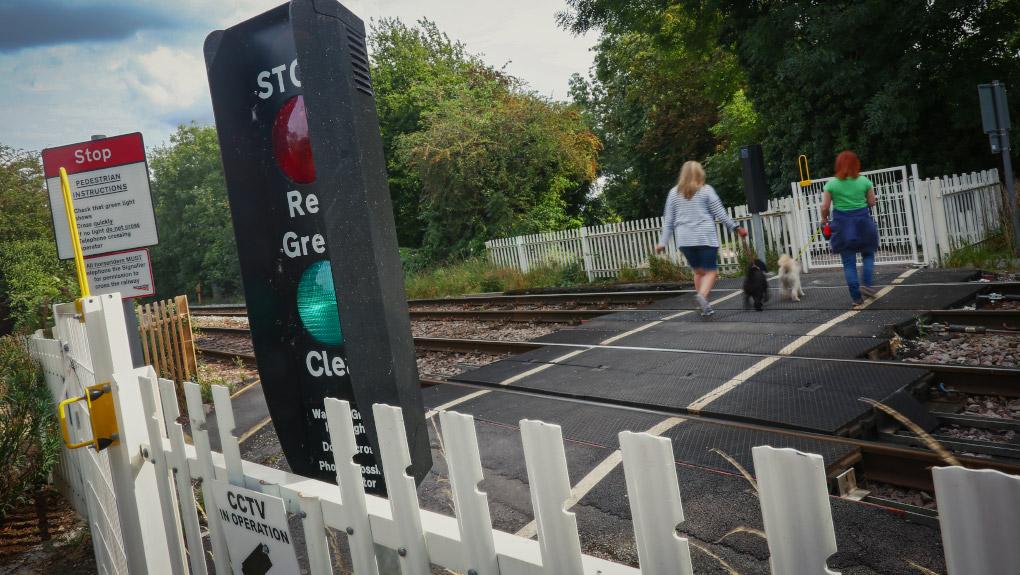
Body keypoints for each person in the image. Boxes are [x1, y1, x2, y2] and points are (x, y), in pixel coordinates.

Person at [656, 160, 747, 317]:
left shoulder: (673, 193)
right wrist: (736, 228)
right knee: (711, 272)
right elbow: (720, 213)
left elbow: (669, 221)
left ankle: (703, 307)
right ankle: (702, 297)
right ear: (700, 173)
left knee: (698, 272)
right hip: (705, 236)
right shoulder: (706, 190)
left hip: (685, 240)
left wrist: (662, 242)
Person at [821, 150, 879, 308]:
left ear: (838, 165)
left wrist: (824, 218)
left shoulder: (831, 184)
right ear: (856, 164)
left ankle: (856, 298)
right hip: (863, 222)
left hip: (842, 224)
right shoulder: (865, 181)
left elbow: (825, 206)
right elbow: (872, 202)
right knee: (868, 254)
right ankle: (867, 284)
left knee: (848, 263)